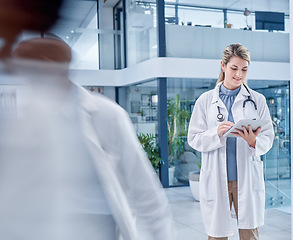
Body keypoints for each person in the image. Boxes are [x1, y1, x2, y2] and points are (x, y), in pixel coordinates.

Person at [1, 25, 175, 240]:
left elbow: (145, 190)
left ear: (47, 65)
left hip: (98, 225)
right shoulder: (29, 119)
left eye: (26, 70)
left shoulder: (106, 115)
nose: (24, 78)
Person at [188, 43, 275, 240]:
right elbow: (193, 138)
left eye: (244, 69)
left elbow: (268, 136)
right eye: (234, 68)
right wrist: (215, 134)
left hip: (246, 176)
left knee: (250, 234)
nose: (239, 74)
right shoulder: (205, 101)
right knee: (217, 234)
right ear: (223, 65)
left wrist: (254, 142)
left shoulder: (257, 100)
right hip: (217, 178)